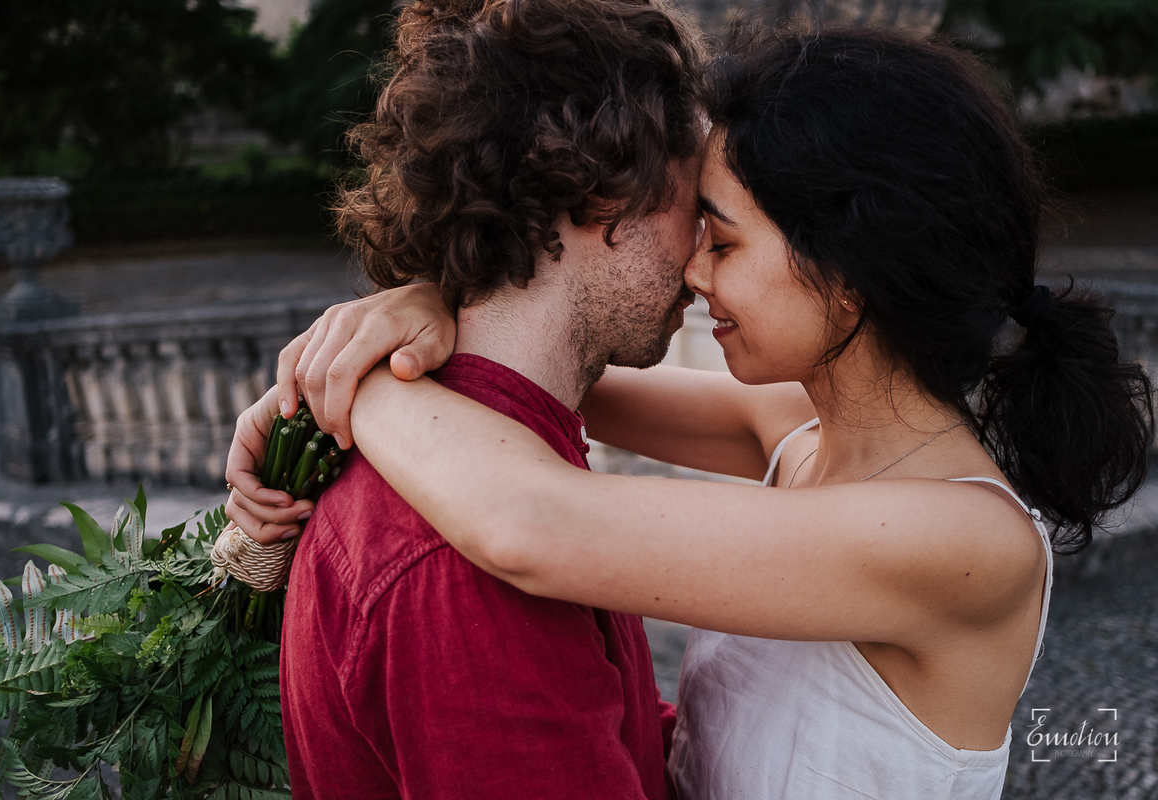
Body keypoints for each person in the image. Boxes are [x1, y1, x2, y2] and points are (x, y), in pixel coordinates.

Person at [229, 25, 1154, 800]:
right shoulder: (795, 426)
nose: (694, 270)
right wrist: (424, 302)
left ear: (849, 271)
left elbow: (527, 520)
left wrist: (358, 381)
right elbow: (559, 382)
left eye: (724, 237)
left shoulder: (962, 539)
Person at [224, 0, 709, 797]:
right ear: (600, 193)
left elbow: (612, 731)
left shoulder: (507, 446)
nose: (700, 263)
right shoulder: (463, 563)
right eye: (695, 210)